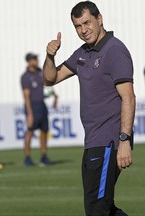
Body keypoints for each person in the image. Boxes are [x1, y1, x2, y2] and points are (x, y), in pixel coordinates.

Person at [43, 1, 135, 215]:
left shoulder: (115, 50)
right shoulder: (83, 53)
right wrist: (50, 56)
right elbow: (51, 78)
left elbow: (128, 96)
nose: (83, 30)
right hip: (92, 142)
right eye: (77, 26)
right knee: (102, 208)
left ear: (99, 19)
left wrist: (124, 141)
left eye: (87, 22)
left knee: (96, 209)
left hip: (108, 142)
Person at [21, 53, 58, 166]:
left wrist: (55, 96)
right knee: (30, 131)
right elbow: (26, 96)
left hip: (41, 105)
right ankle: (27, 157)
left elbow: (48, 87)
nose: (36, 61)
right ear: (29, 61)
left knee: (44, 131)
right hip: (32, 106)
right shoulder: (26, 76)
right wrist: (30, 114)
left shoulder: (40, 73)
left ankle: (44, 156)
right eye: (34, 59)